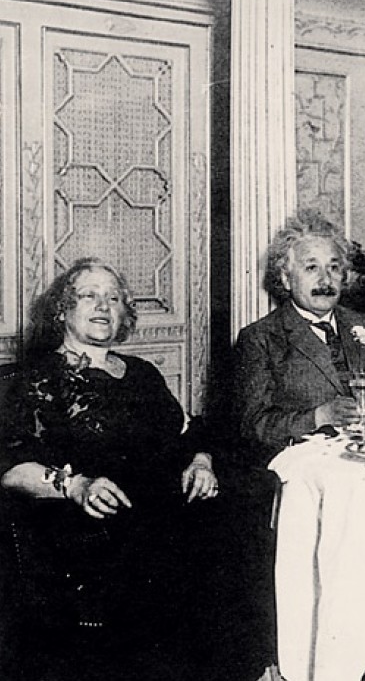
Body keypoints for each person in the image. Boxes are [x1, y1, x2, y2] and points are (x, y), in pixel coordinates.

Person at [0, 258, 220, 681]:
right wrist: (77, 486)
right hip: (93, 525)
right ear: (62, 309)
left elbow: (187, 431)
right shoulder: (37, 380)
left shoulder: (142, 373)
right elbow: (11, 467)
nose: (103, 306)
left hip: (164, 514)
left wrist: (200, 461)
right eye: (89, 296)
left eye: (114, 298)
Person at [234, 212, 365, 462]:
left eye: (334, 268)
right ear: (286, 279)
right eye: (311, 268)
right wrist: (318, 417)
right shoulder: (261, 338)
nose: (325, 280)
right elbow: (252, 426)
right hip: (306, 465)